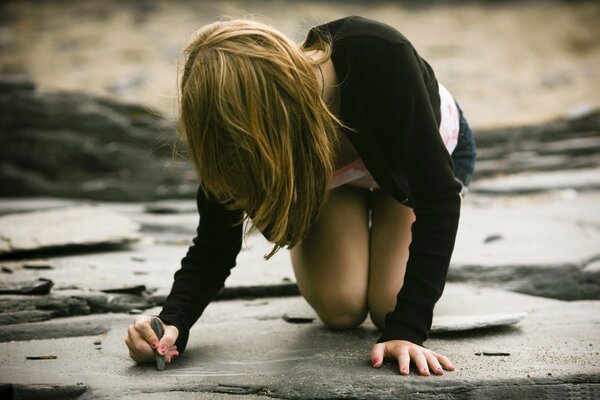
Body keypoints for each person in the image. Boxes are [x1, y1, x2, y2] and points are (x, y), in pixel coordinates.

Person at [125, 15, 477, 376]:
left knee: (390, 305)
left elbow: (438, 198)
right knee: (341, 308)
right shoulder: (233, 131)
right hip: (336, 184)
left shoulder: (380, 53)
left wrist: (407, 331)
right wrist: (173, 324)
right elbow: (214, 243)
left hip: (414, 173)